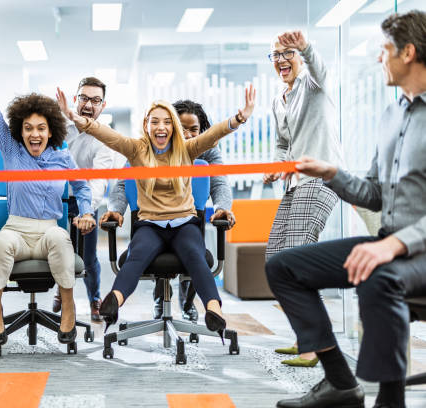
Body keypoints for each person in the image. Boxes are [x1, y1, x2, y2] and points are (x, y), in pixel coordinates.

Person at [266, 10, 426, 408]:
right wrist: (332, 172)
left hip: (413, 250)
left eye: (384, 50)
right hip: (391, 244)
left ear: (407, 53)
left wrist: (394, 246)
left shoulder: (312, 84)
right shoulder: (392, 117)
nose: (378, 58)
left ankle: (389, 399)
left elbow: (319, 70)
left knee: (379, 275)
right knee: (281, 265)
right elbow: (373, 192)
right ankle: (340, 382)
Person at [56, 85, 255, 336]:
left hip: (184, 224)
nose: (161, 127)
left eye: (166, 122)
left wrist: (239, 118)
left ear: (172, 126)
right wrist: (75, 118)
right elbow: (105, 133)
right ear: (146, 125)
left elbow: (212, 135)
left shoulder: (187, 149)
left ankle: (214, 310)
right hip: (150, 225)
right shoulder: (137, 149)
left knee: (195, 255)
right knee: (136, 256)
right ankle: (113, 301)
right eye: (154, 122)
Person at [0, 31, 96, 346]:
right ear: (20, 130)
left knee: (62, 240)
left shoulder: (62, 156)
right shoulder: (11, 149)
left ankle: (68, 304)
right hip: (16, 229)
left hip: (48, 231)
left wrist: (86, 211)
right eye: (28, 128)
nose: (35, 134)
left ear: (51, 131)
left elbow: (82, 187)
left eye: (41, 128)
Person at [102, 99, 235, 322]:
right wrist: (115, 210)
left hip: (188, 219)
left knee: (195, 254)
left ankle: (198, 303)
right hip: (151, 221)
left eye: (195, 130)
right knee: (143, 250)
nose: (189, 135)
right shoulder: (145, 150)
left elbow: (219, 183)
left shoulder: (206, 150)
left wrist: (222, 208)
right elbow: (124, 183)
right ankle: (148, 296)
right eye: (183, 128)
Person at [263, 30, 344, 368]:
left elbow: (321, 69)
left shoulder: (313, 85)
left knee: (296, 258)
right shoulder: (279, 98)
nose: (282, 60)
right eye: (276, 55)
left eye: (288, 53)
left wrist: (307, 47)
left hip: (320, 178)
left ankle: (314, 348)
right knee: (275, 258)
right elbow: (284, 143)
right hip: (294, 184)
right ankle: (303, 337)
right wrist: (276, 165)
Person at [51, 76, 115, 323]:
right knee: (59, 250)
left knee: (88, 257)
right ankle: (61, 288)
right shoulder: (58, 129)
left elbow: (99, 180)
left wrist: (88, 210)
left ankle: (94, 299)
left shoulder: (105, 137)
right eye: (85, 98)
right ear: (76, 99)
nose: (89, 105)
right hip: (57, 198)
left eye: (95, 100)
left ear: (103, 105)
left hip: (86, 201)